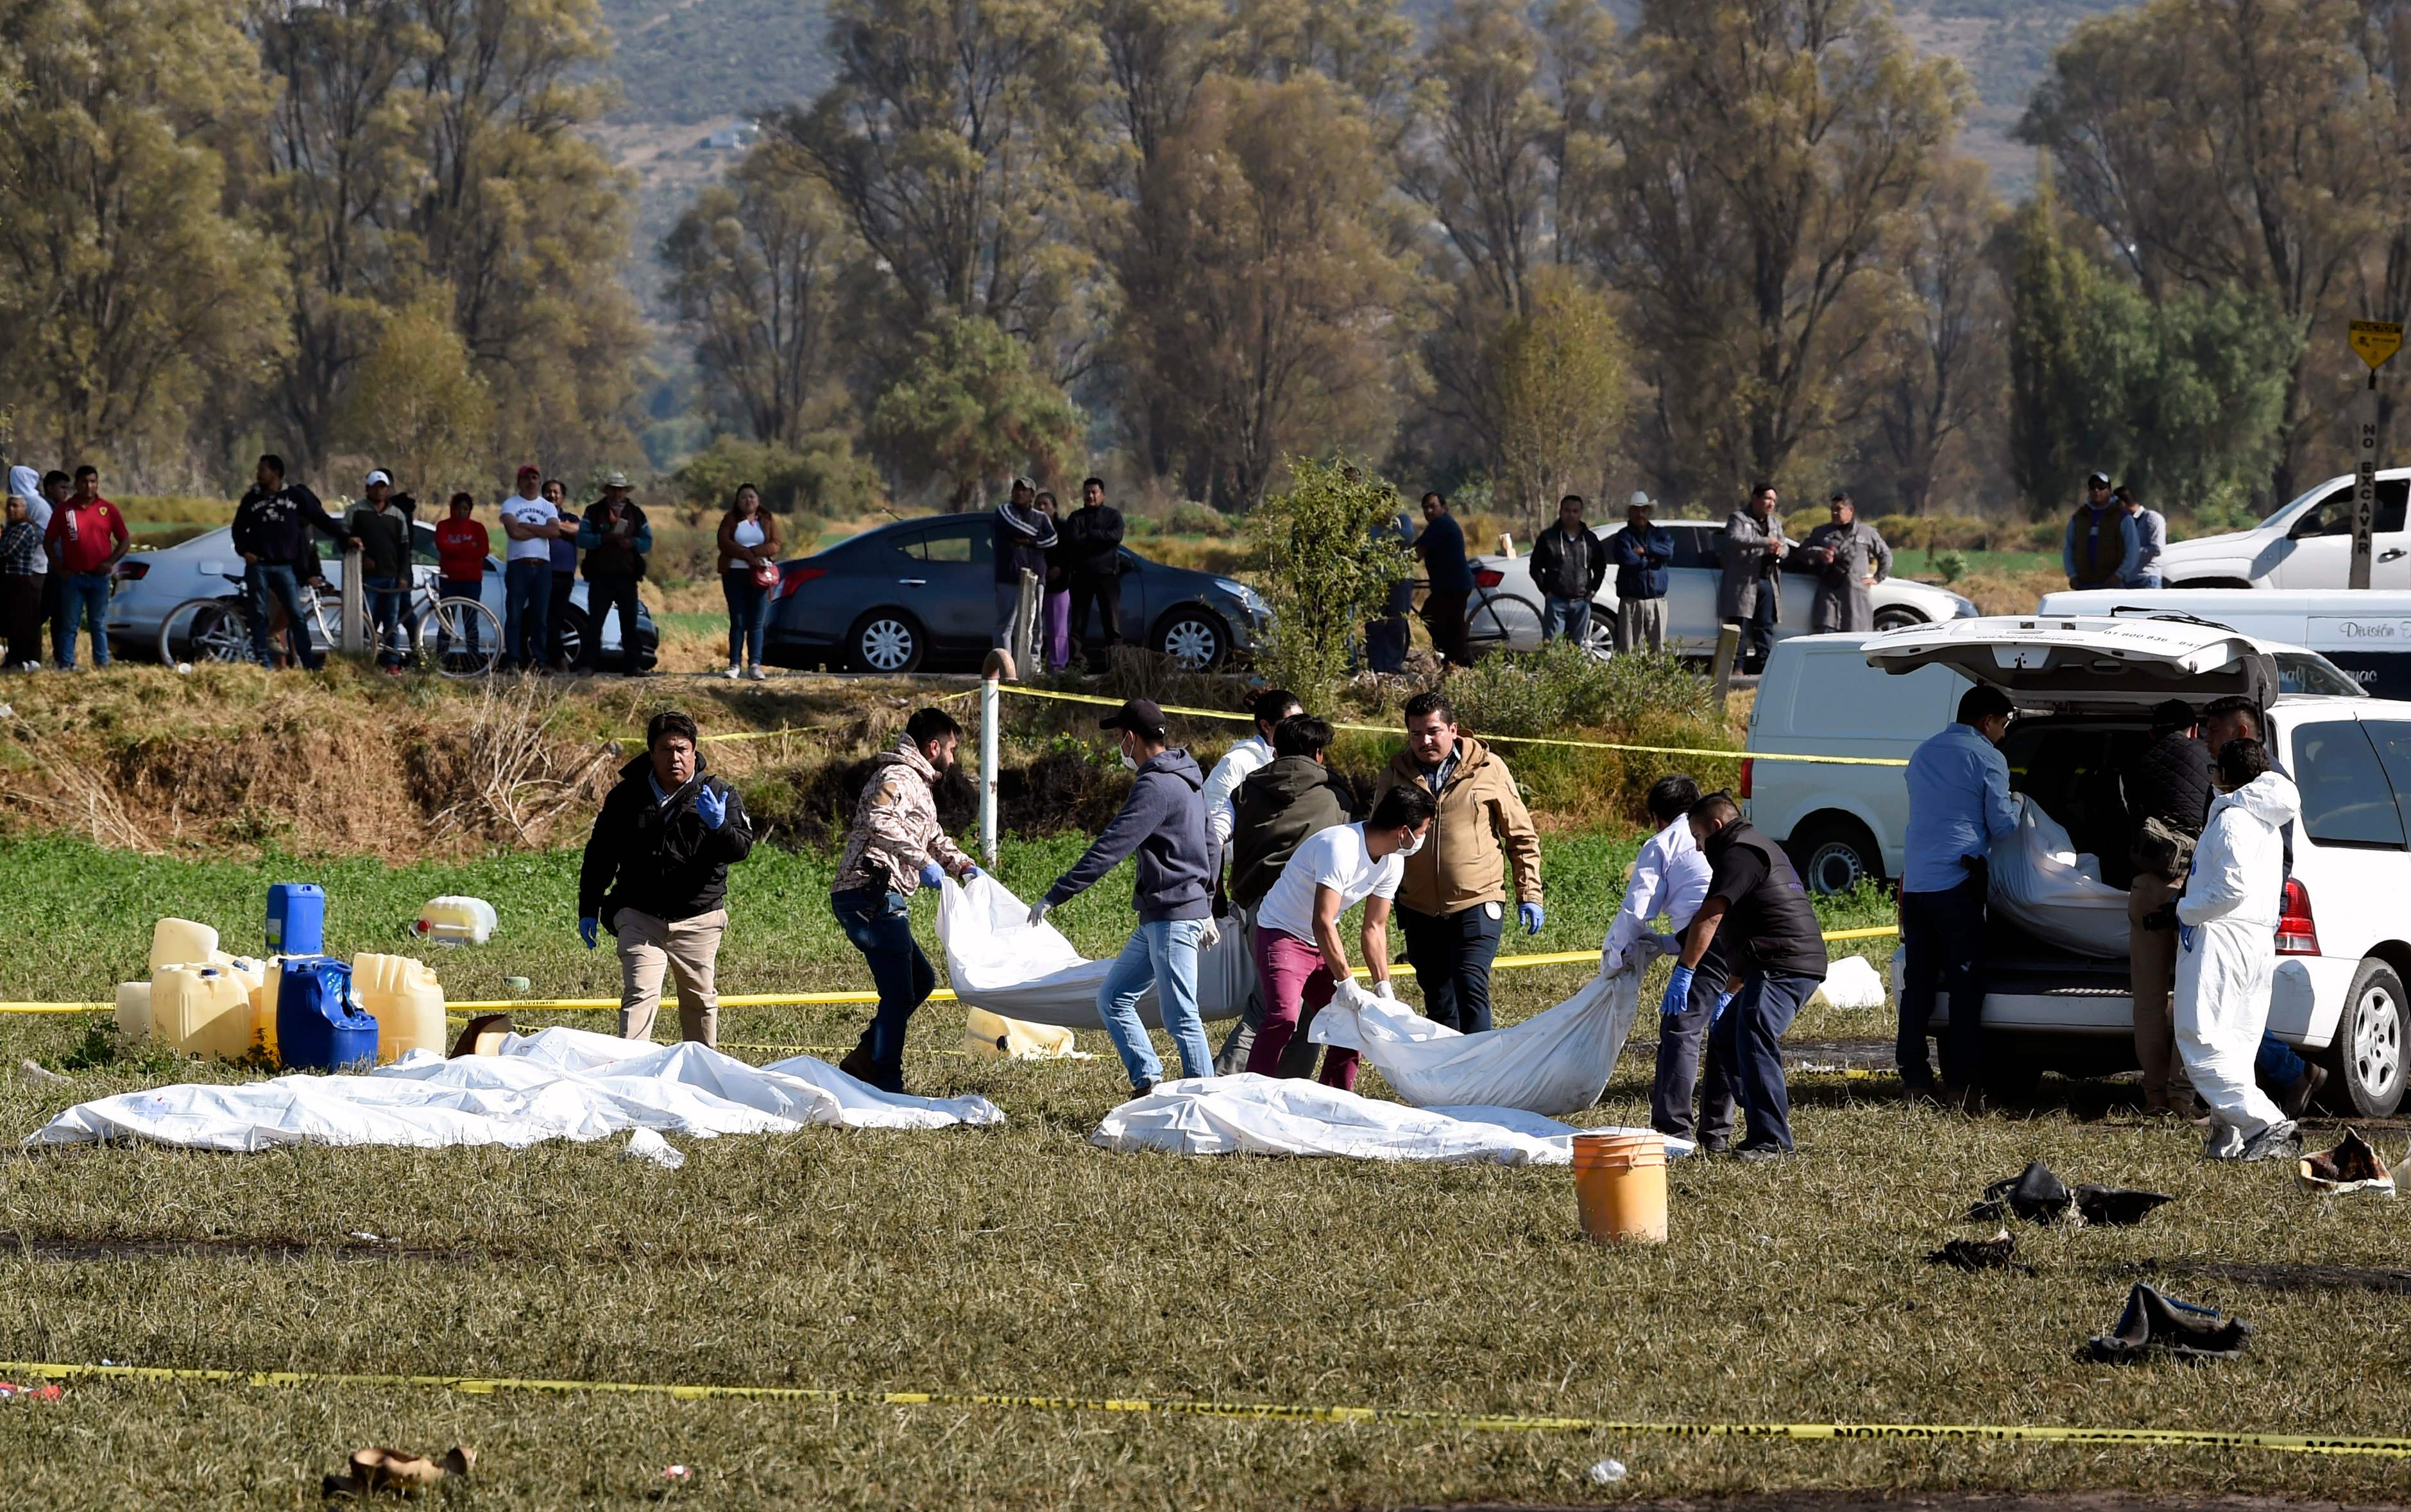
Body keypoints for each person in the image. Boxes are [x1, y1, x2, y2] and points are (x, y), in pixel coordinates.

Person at [1028, 699, 1218, 1095]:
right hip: (1163, 916)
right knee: (1113, 998)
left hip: (1172, 917)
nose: (1120, 746)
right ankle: (1147, 1082)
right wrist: (1209, 901)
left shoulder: (1155, 786)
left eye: (1119, 738)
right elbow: (1212, 842)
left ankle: (1204, 1098)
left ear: (1130, 738)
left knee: (1182, 1016)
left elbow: (1111, 846)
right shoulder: (1189, 778)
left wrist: (1057, 894)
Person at [1662, 794, 1828, 1160]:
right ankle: (1757, 1128)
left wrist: (1685, 972)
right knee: (1725, 1037)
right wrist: (1729, 991)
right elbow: (1749, 928)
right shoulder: (1752, 847)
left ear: (1717, 827)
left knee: (1753, 1033)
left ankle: (1773, 1142)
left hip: (1786, 963)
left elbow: (1711, 917)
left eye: (1698, 836)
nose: (1697, 846)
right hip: (1777, 960)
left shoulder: (1739, 852)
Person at [2158, 737, 2303, 1160]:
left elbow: (2230, 887)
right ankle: (2229, 1138)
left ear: (2224, 775)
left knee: (2201, 1040)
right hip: (2257, 941)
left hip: (2221, 937)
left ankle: (2266, 1122)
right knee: (2237, 1042)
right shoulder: (2269, 822)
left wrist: (2185, 908)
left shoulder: (2231, 818)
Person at [577, 709, 754, 1048]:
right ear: (651, 753)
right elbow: (600, 854)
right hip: (639, 915)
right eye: (666, 749)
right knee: (640, 994)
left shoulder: (719, 793)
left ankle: (702, 1076)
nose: (675, 757)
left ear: (694, 752)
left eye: (682, 749)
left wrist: (719, 826)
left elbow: (741, 848)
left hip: (699, 917)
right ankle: (630, 1075)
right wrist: (588, 906)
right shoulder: (625, 797)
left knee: (700, 1001)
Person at [830, 708, 983, 1092]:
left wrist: (961, 865)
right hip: (869, 894)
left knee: (919, 980)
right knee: (900, 990)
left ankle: (865, 1059)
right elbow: (880, 822)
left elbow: (931, 835)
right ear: (933, 747)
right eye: (950, 748)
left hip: (881, 896)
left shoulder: (918, 786)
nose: (953, 757)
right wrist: (925, 864)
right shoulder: (897, 777)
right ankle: (885, 1080)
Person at [1372, 691, 1543, 1034]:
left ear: (1453, 729)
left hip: (1478, 899)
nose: (1425, 741)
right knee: (1438, 997)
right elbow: (1378, 839)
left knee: (1470, 983)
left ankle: (1483, 1074)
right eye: (1416, 734)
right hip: (1418, 906)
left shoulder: (1489, 769)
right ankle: (1449, 1077)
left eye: (1433, 731)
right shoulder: (1395, 773)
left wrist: (1530, 894)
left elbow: (1521, 836)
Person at [1245, 785, 1435, 1089]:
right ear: (1403, 832)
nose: (1422, 839)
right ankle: (1250, 1092)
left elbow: (1374, 927)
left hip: (1319, 941)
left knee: (1353, 1028)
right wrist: (1346, 982)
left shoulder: (1393, 861)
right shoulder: (1340, 846)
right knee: (1284, 1017)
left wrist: (1383, 987)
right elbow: (1322, 920)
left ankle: (1334, 1101)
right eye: (1422, 831)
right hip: (1282, 932)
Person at [2195, 695, 2326, 1116]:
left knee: (2229, 1010)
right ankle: (2261, 1086)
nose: (2205, 740)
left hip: (2241, 916)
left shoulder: (2265, 786)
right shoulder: (2243, 784)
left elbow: (2273, 857)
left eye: (2214, 731)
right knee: (2231, 1007)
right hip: (2235, 914)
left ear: (2242, 733)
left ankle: (2288, 1075)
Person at [1212, 710, 1354, 1075]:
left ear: (1275, 747)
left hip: (1258, 908)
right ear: (1319, 753)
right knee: (1280, 1010)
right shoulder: (1335, 794)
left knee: (1285, 1007)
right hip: (1311, 910)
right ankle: (1215, 1085)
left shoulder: (1247, 787)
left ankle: (1285, 1090)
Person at [1898, 685, 2019, 1104]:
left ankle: (1914, 1078)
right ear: (1987, 721)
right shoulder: (1988, 757)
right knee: (1966, 985)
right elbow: (2003, 827)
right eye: (2002, 724)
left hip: (1915, 885)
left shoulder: (1923, 752)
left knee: (1919, 986)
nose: (2003, 733)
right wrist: (2019, 804)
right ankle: (1963, 1085)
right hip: (1957, 883)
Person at [1601, 776, 1721, 1146]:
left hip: (1710, 944)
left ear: (1656, 818)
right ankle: (1718, 1130)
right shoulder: (1724, 834)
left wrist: (1613, 954)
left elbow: (1639, 909)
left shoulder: (1663, 842)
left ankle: (1673, 1129)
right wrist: (1668, 944)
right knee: (1727, 1030)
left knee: (1680, 1028)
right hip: (1745, 940)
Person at [2122, 698, 2215, 1115]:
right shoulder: (2210, 757)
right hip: (2191, 887)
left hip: (2146, 885)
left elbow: (2123, 820)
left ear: (2154, 731)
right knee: (2189, 993)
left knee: (2149, 999)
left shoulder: (2137, 761)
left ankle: (2154, 1096)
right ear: (2194, 729)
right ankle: (2182, 1095)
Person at [1202, 687, 1304, 872]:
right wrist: (1216, 892)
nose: (1298, 730)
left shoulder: (1303, 762)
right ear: (1266, 726)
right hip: (1249, 868)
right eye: (1289, 723)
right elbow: (1212, 826)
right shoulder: (1236, 762)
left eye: (1301, 722)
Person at [42, 465, 132, 671]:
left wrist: (110, 562)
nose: (89, 486)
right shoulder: (65, 510)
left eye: (93, 481)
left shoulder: (107, 509)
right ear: (77, 484)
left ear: (97, 483)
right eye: (84, 482)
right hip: (74, 577)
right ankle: (66, 664)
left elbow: (125, 540)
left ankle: (102, 664)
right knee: (69, 624)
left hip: (99, 578)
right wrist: (59, 568)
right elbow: (48, 542)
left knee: (98, 623)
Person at [577, 471, 651, 677]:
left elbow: (647, 543)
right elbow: (582, 539)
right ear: (607, 490)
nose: (617, 493)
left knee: (630, 624)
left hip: (627, 576)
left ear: (626, 491)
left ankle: (632, 666)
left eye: (621, 490)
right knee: (594, 623)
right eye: (614, 489)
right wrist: (604, 538)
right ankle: (587, 665)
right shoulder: (593, 512)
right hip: (600, 576)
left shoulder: (637, 514)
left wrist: (633, 542)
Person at [498, 466, 568, 672]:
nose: (531, 482)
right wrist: (541, 531)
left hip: (542, 567)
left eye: (535, 477)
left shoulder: (548, 507)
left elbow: (554, 531)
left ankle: (540, 660)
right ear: (519, 482)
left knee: (540, 617)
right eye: (526, 478)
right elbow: (514, 533)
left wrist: (527, 526)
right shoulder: (510, 504)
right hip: (519, 565)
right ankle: (513, 660)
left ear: (539, 481)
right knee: (515, 615)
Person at [1798, 492, 1891, 634]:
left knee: (1854, 643)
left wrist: (1877, 577)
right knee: (1825, 642)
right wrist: (1819, 553)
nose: (1835, 513)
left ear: (1850, 510)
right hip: (1829, 598)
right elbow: (1802, 551)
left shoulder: (1867, 533)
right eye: (1832, 510)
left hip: (1856, 599)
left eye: (1839, 509)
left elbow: (1885, 555)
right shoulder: (1821, 533)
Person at [1720, 484, 1789, 674]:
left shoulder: (1775, 523)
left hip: (1767, 581)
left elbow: (1786, 547)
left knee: (1764, 627)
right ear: (1755, 499)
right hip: (1743, 583)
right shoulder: (1739, 519)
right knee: (1739, 626)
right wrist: (1765, 542)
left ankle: (1765, 669)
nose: (1771, 504)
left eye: (1774, 500)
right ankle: (1738, 669)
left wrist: (1781, 551)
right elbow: (1734, 540)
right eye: (1768, 499)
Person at [717, 482, 781, 681]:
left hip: (760, 575)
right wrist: (745, 554)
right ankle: (734, 664)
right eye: (743, 497)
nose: (748, 501)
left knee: (756, 622)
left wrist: (755, 553)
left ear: (758, 500)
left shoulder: (767, 519)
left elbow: (775, 544)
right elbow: (724, 542)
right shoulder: (730, 519)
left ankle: (755, 664)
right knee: (738, 621)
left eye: (751, 497)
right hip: (734, 574)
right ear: (737, 501)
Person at [350, 470, 412, 672]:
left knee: (392, 623)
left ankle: (391, 662)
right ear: (367, 488)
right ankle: (366, 661)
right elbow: (343, 539)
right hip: (367, 580)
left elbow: (405, 548)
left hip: (391, 578)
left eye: (383, 487)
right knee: (368, 622)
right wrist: (360, 556)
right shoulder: (356, 511)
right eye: (375, 486)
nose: (380, 491)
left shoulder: (397, 515)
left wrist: (403, 576)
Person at [1529, 493, 1608, 647]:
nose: (1571, 515)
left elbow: (1600, 567)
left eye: (1575, 511)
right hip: (1556, 602)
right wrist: (1546, 591)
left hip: (1582, 603)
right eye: (1567, 510)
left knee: (1576, 648)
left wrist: (1592, 592)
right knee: (1553, 648)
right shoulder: (1548, 538)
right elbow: (1535, 567)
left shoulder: (1590, 539)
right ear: (1560, 512)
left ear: (1581, 513)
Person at [1062, 477, 1124, 666]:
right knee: (1079, 623)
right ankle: (1077, 663)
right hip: (1081, 577)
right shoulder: (1076, 517)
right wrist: (1099, 540)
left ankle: (1115, 664)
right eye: (1087, 492)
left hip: (1107, 576)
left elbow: (1116, 537)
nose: (1090, 496)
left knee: (1111, 623)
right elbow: (1073, 542)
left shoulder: (1113, 516)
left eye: (1094, 492)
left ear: (1102, 495)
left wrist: (1090, 535)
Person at [991, 478, 1057, 653]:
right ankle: (1004, 668)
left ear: (1031, 495)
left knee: (1035, 625)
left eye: (1024, 490)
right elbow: (1015, 526)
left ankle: (1033, 668)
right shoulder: (1004, 511)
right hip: (1009, 577)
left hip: (1036, 577)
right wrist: (1038, 536)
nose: (1019, 493)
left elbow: (1053, 539)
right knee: (1005, 626)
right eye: (1017, 489)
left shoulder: (1041, 517)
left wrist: (1030, 542)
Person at [1606, 493, 1673, 654]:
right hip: (1631, 601)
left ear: (1649, 511)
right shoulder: (1623, 536)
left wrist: (1645, 551)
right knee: (1629, 649)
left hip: (1656, 600)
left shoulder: (1660, 534)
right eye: (1636, 510)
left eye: (1644, 510)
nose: (1640, 514)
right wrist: (1651, 559)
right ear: (1630, 512)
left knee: (1657, 649)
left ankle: (1656, 679)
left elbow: (1668, 551)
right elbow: (1629, 560)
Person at [1415, 491, 1474, 670]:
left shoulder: (1441, 525)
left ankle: (1456, 661)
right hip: (1449, 585)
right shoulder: (1438, 526)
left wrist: (1395, 559)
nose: (1429, 511)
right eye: (1425, 508)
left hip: (1453, 586)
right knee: (1450, 623)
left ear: (1444, 507)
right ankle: (1456, 660)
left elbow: (1418, 552)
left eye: (1433, 507)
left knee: (1431, 616)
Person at [432, 491, 490, 664]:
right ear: (452, 508)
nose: (461, 512)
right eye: (458, 508)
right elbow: (443, 547)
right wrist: (468, 547)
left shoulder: (478, 528)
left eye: (465, 509)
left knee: (470, 621)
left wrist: (457, 549)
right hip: (449, 581)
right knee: (446, 621)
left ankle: (474, 659)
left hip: (471, 581)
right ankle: (440, 660)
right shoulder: (443, 526)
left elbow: (483, 551)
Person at [2064, 471, 2140, 591]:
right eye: (2093, 488)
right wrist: (2072, 575)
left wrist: (2119, 575)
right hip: (2084, 583)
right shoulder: (2079, 517)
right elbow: (2069, 547)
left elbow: (2133, 550)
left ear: (2109, 490)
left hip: (2112, 584)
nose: (2097, 491)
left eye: (2101, 487)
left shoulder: (2122, 517)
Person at [1367, 509, 1418, 674]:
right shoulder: (1369, 523)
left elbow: (1406, 538)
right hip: (1374, 580)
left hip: (1400, 578)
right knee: (1375, 624)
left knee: (1397, 622)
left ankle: (1392, 665)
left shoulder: (1402, 519)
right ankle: (1376, 664)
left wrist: (1389, 525)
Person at [0, 490, 46, 670]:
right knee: (11, 622)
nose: (12, 510)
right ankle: (12, 659)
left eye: (16, 506)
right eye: (9, 506)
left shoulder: (26, 528)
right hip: (8, 580)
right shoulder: (10, 528)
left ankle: (24, 660)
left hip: (21, 581)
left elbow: (8, 552)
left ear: (24, 509)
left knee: (22, 622)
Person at [1034, 489, 1073, 670]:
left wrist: (1060, 568)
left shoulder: (1064, 528)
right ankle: (1034, 664)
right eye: (1038, 504)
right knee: (1033, 627)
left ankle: (1058, 665)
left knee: (1057, 629)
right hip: (1034, 583)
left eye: (1045, 504)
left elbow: (1072, 553)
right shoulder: (1031, 527)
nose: (1041, 507)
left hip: (1058, 585)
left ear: (1054, 508)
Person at [543, 478, 579, 670]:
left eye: (556, 492)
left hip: (564, 576)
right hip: (542, 574)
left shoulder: (572, 518)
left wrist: (554, 525)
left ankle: (558, 661)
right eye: (549, 492)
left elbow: (577, 531)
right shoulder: (538, 517)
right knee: (543, 619)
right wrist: (556, 528)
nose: (552, 495)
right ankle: (554, 661)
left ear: (563, 497)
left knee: (556, 619)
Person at [2119, 485, 2166, 589]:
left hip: (2147, 580)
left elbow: (2157, 549)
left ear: (2122, 504)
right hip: (2128, 581)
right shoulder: (2126, 523)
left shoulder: (2152, 518)